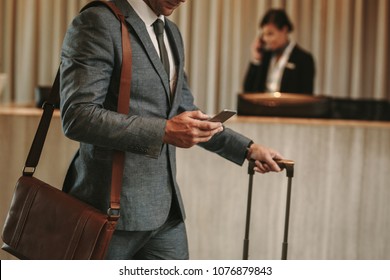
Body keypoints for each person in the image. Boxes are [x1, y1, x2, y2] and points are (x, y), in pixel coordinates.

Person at [60, 0, 283, 260]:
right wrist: (163, 131)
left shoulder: (172, 33)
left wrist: (247, 149)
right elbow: (78, 116)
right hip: (111, 210)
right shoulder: (98, 21)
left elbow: (183, 110)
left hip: (166, 211)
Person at [243, 8, 315, 95]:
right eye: (264, 35)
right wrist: (256, 59)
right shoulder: (265, 57)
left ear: (284, 30)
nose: (266, 39)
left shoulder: (303, 59)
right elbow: (248, 91)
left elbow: (305, 98)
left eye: (270, 34)